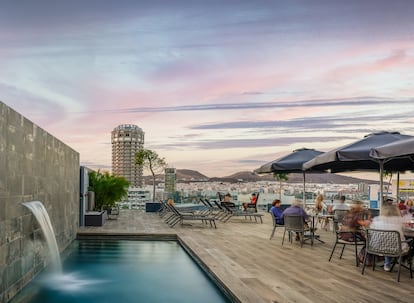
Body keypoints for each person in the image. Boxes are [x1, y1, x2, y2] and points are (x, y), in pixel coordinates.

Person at [370, 204, 409, 272]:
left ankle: (387, 263)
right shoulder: (400, 220)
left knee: (387, 241)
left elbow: (371, 230)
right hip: (397, 248)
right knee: (408, 242)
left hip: (376, 247)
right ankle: (405, 261)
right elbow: (405, 230)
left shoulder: (376, 219)